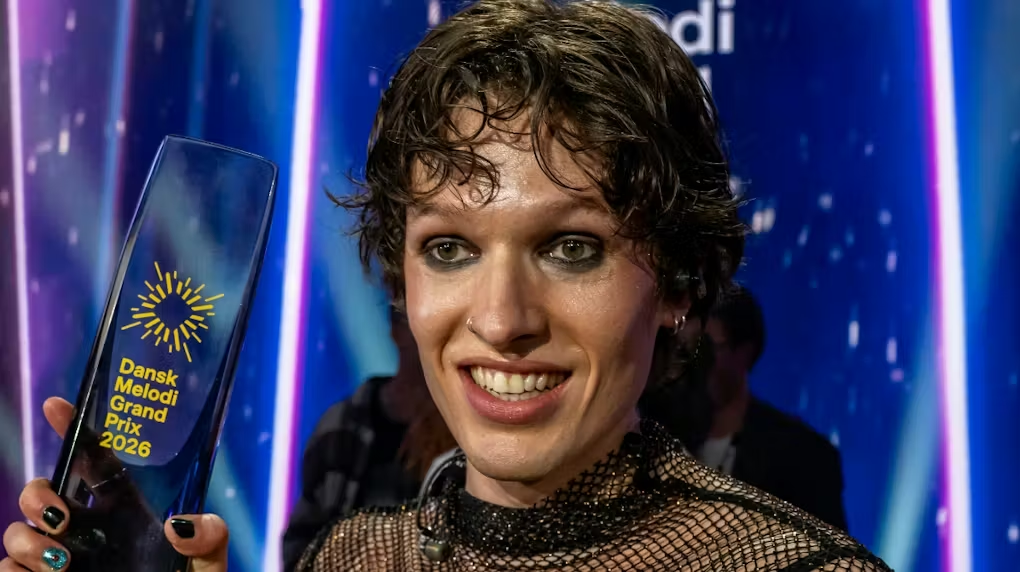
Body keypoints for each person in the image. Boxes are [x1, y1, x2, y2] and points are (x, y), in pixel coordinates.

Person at [3, 1, 891, 571]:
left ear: (678, 285)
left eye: (571, 247)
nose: (500, 320)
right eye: (451, 248)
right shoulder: (355, 559)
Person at [646, 287, 850, 530]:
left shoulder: (803, 457)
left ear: (743, 353)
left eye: (706, 349)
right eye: (684, 350)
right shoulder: (650, 435)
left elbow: (828, 550)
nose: (693, 365)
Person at [281, 309, 457, 571]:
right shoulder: (341, 424)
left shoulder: (466, 431)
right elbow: (302, 540)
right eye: (419, 325)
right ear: (396, 330)